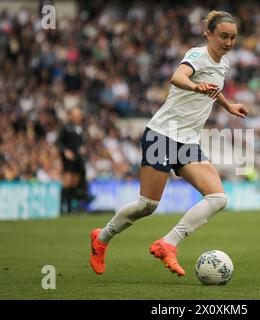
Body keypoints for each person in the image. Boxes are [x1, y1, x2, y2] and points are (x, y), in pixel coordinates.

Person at [89, 11, 248, 276]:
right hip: (162, 135)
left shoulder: (224, 64)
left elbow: (213, 88)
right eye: (223, 36)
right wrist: (194, 87)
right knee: (147, 205)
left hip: (187, 141)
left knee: (218, 197)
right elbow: (177, 77)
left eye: (232, 38)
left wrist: (228, 106)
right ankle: (101, 238)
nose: (228, 42)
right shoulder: (198, 55)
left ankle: (168, 243)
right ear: (208, 34)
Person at [56, 107, 93, 213]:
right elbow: (58, 142)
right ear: (71, 116)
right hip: (69, 160)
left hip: (78, 160)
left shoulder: (81, 128)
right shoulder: (66, 128)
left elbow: (82, 143)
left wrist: (83, 148)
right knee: (67, 183)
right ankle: (63, 208)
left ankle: (70, 208)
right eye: (76, 115)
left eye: (79, 115)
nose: (78, 117)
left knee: (74, 184)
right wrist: (65, 151)